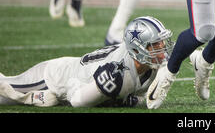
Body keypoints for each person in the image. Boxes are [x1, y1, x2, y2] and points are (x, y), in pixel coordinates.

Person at [0, 16, 174, 107]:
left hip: (72, 75)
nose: (162, 49)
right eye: (155, 45)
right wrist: (109, 92)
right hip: (54, 77)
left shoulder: (149, 65)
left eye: (162, 43)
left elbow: (139, 95)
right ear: (137, 49)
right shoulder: (119, 72)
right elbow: (77, 100)